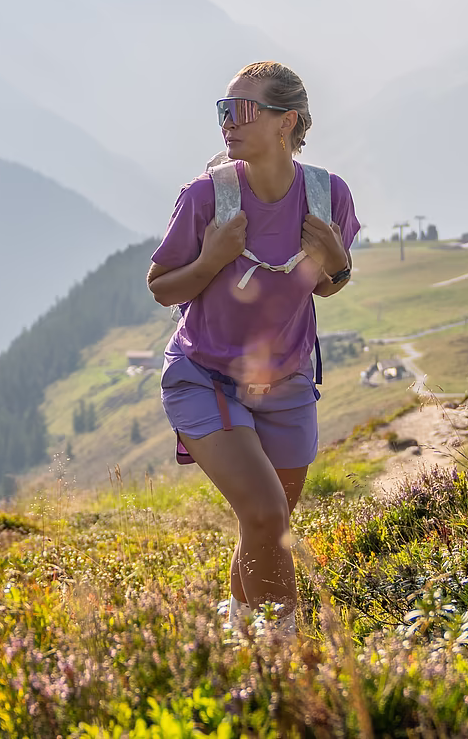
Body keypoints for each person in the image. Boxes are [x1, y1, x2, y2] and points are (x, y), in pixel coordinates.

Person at [146, 61, 360, 633]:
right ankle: (282, 664)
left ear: (286, 121)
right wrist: (212, 259)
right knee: (267, 515)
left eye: (241, 111)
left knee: (264, 524)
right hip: (203, 376)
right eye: (223, 110)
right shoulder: (205, 197)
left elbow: (328, 285)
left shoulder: (326, 195)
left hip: (287, 384)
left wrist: (338, 264)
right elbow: (161, 286)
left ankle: (242, 643)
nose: (226, 123)